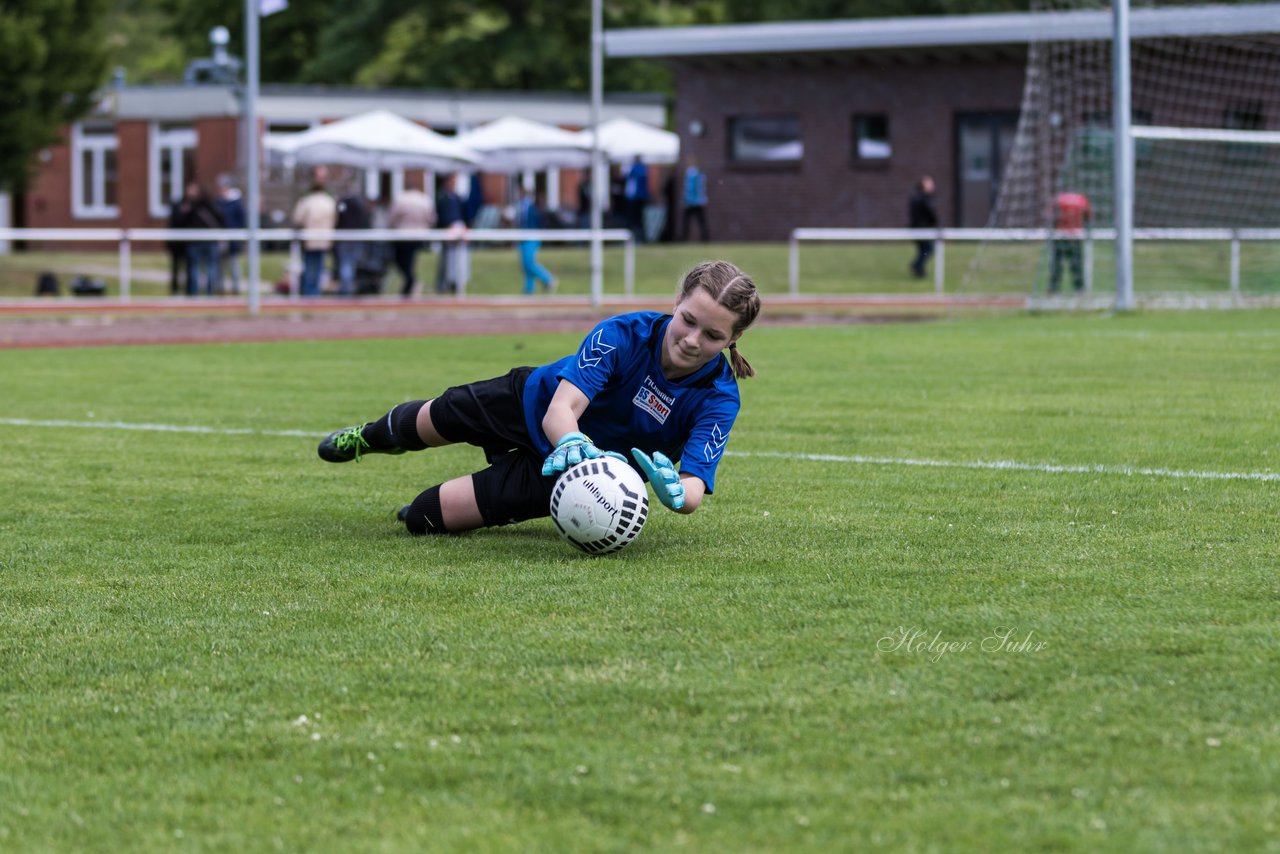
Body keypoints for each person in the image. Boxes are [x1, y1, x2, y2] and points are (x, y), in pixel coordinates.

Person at [316, 259, 762, 538]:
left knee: (425, 519)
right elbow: (561, 411)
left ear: (733, 338)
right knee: (435, 419)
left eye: (712, 335)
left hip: (572, 476)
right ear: (677, 301)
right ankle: (373, 437)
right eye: (687, 320)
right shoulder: (623, 334)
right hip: (529, 403)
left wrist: (674, 494)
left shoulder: (719, 398)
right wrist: (573, 442)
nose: (691, 339)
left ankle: (422, 506)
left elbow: (694, 488)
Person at [291, 169, 338, 298]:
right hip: (314, 240)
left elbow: (297, 218)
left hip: (316, 240)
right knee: (313, 269)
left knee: (314, 269)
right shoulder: (322, 200)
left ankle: (312, 296)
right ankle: (311, 296)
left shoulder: (321, 199)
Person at [174, 180, 224, 296]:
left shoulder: (195, 205)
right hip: (197, 242)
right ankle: (197, 293)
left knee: (207, 267)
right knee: (197, 268)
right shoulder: (206, 204)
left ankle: (206, 293)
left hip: (203, 241)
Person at [387, 184, 435, 298]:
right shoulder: (425, 200)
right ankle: (410, 283)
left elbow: (392, 218)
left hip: (402, 235)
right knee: (410, 261)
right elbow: (431, 219)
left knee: (401, 260)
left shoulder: (400, 199)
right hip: (420, 235)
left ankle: (411, 282)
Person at [1050, 190, 1093, 293]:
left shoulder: (1058, 199)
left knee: (1057, 265)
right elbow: (1088, 216)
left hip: (1061, 237)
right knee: (1075, 264)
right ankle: (1079, 289)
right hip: (1074, 237)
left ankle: (1054, 289)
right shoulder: (1081, 199)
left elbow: (1052, 216)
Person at [515, 189, 556, 295]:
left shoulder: (532, 207)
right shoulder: (520, 207)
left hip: (532, 237)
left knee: (529, 263)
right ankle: (529, 289)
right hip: (523, 238)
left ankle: (547, 279)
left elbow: (535, 221)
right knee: (525, 265)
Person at [435, 173, 469, 294]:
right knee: (446, 260)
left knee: (459, 259)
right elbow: (439, 215)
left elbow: (464, 214)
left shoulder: (458, 198)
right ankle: (443, 284)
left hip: (458, 230)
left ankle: (457, 284)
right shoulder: (442, 197)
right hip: (447, 231)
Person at [216, 174, 246, 295]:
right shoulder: (218, 201)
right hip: (221, 238)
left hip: (233, 239)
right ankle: (220, 288)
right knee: (221, 266)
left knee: (234, 265)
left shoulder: (236, 203)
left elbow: (241, 220)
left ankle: (236, 288)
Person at [907, 175, 938, 279]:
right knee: (928, 249)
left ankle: (919, 269)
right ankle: (917, 265)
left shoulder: (917, 197)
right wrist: (934, 223)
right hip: (922, 229)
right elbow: (930, 214)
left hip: (917, 228)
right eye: (929, 183)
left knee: (923, 250)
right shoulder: (923, 199)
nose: (932, 185)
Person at [682, 157, 709, 243]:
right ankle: (705, 238)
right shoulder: (700, 174)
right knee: (701, 221)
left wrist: (687, 199)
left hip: (691, 202)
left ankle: (684, 238)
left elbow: (689, 189)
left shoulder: (690, 174)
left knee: (687, 221)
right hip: (699, 201)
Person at [623, 155, 650, 242]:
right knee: (639, 219)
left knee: (633, 219)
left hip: (635, 198)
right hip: (639, 197)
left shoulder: (635, 168)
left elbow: (627, 176)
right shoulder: (644, 168)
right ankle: (640, 237)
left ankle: (635, 237)